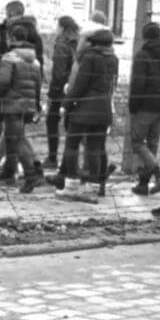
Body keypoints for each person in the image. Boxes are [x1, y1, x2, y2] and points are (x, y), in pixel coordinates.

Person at [47, 27, 118, 200]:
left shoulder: (89, 57)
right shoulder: (113, 59)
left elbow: (81, 84)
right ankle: (92, 190)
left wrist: (66, 104)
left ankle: (71, 185)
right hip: (104, 108)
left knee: (71, 145)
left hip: (84, 108)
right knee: (95, 148)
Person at [0, 2, 42, 179]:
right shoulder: (34, 38)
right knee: (14, 131)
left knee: (16, 134)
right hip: (29, 91)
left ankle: (33, 170)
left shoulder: (9, 38)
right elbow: (39, 69)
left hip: (11, 94)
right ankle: (3, 164)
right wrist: (37, 99)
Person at [0, 24, 46, 193]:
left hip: (13, 105)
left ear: (13, 38)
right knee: (15, 138)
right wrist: (36, 105)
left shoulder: (10, 57)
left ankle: (31, 175)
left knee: (17, 140)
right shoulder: (35, 60)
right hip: (29, 105)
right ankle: (11, 171)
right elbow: (38, 84)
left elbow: (3, 81)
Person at [128, 22, 160, 196]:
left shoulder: (142, 55)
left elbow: (138, 83)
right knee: (152, 144)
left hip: (144, 104)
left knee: (137, 142)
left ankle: (158, 172)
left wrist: (133, 105)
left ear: (144, 37)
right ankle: (143, 183)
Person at [47, 16, 80, 167]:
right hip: (75, 88)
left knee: (52, 121)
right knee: (70, 126)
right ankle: (70, 162)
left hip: (60, 90)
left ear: (62, 27)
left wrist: (53, 91)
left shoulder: (61, 44)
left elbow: (58, 72)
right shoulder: (79, 42)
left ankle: (52, 158)